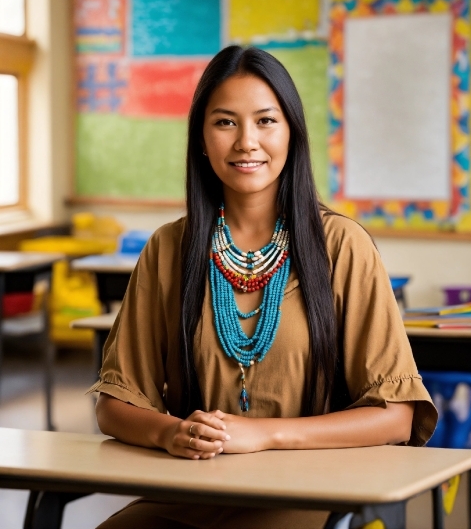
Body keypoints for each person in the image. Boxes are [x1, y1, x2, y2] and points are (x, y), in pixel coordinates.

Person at [91, 45, 437, 529]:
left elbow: (397, 417)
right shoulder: (169, 248)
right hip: (191, 488)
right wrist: (172, 433)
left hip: (311, 489)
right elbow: (115, 405)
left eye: (266, 121)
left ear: (292, 132)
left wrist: (264, 435)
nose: (246, 142)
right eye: (225, 122)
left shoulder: (342, 245)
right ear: (201, 139)